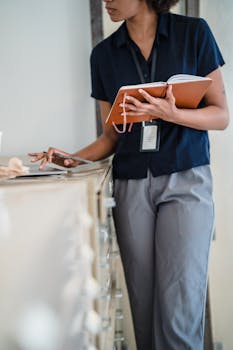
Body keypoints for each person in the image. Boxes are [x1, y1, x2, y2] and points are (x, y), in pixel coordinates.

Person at [29, 0, 230, 349]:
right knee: (144, 310)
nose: (106, 0)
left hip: (186, 181)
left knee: (179, 309)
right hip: (131, 188)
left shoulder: (193, 34)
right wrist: (69, 159)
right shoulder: (104, 55)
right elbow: (111, 136)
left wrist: (171, 113)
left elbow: (220, 115)